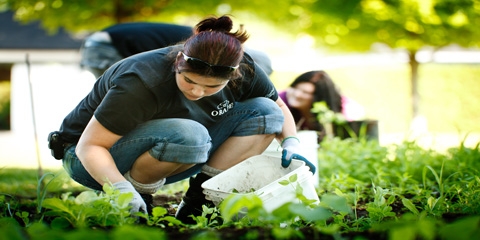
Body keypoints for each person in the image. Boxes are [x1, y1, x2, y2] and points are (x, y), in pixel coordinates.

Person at [48, 15, 313, 224]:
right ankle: (139, 202)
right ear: (178, 62)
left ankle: (200, 200)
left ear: (232, 76)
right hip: (89, 160)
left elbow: (277, 106)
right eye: (189, 81)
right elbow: (89, 146)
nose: (197, 92)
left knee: (265, 111)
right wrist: (120, 189)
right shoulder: (141, 80)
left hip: (180, 150)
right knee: (189, 133)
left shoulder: (246, 69)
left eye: (212, 87)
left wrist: (291, 141)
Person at [80, 22, 273, 79]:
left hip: (105, 42)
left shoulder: (205, 40)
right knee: (118, 93)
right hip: (105, 48)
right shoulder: (202, 47)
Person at [279, 70, 366, 141]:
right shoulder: (281, 100)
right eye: (295, 88)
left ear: (317, 97)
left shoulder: (337, 105)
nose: (297, 94)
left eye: (305, 92)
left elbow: (357, 112)